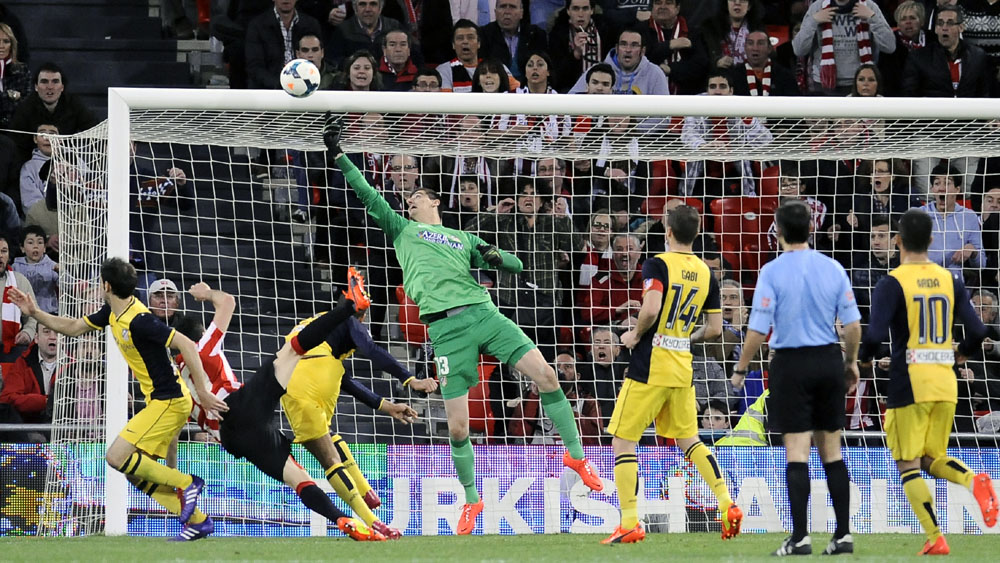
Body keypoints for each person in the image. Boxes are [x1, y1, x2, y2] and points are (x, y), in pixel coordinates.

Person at [323, 112, 602, 535]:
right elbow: (366, 193)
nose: (408, 202)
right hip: (446, 331)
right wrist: (339, 154)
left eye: (415, 197)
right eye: (407, 200)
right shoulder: (401, 230)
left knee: (546, 376)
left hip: (485, 314)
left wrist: (494, 256)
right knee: (457, 426)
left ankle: (577, 457)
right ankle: (472, 501)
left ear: (433, 201)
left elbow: (516, 263)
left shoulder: (463, 237)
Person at [6, 258, 228, 538]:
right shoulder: (113, 312)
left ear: (107, 286)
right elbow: (74, 327)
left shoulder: (139, 320)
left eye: (100, 282)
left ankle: (186, 482)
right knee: (134, 472)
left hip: (169, 400)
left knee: (116, 456)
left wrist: (205, 392)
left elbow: (185, 343)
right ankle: (198, 520)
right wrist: (35, 312)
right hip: (162, 401)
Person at [170, 276, 404, 541]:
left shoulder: (173, 384)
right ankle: (349, 307)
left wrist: (176, 480)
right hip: (240, 405)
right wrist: (206, 293)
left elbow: (173, 437)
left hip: (231, 439)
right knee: (292, 350)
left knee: (296, 478)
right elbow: (227, 303)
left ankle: (342, 519)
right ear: (198, 335)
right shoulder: (203, 346)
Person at [859, 208, 998, 555]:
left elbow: (875, 335)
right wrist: (962, 352)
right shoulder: (951, 279)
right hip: (945, 381)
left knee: (907, 463)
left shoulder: (892, 282)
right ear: (932, 240)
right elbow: (979, 329)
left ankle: (936, 536)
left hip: (910, 379)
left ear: (898, 241)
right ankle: (976, 480)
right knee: (931, 457)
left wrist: (859, 361)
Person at [603, 205, 742, 544]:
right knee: (689, 440)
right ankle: (726, 503)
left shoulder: (658, 264)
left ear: (667, 230)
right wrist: (682, 337)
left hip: (650, 364)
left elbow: (650, 308)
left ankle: (630, 521)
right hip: (682, 366)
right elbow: (712, 328)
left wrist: (635, 335)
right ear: (695, 234)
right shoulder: (706, 272)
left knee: (623, 438)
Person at [733, 199, 861, 556]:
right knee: (832, 451)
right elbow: (852, 326)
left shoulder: (772, 271)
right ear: (811, 228)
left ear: (779, 232)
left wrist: (741, 368)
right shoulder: (833, 267)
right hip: (827, 359)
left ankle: (801, 537)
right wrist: (850, 362)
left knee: (797, 452)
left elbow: (758, 329)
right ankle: (843, 535)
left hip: (790, 363)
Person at [278, 269, 437, 539]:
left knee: (327, 443)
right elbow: (372, 351)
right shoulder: (350, 321)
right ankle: (371, 518)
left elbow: (346, 381)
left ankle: (366, 495)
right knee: (329, 455)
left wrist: (388, 407)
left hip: (294, 376)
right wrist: (410, 379)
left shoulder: (316, 325)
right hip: (311, 377)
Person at [681, 71, 772, 199]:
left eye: (722, 86)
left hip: (734, 174)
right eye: (713, 87)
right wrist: (704, 146)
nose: (717, 91)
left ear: (731, 91)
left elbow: (766, 140)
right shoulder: (696, 106)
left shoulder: (742, 108)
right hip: (701, 175)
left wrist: (749, 123)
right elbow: (688, 134)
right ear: (707, 91)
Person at [792, 0, 895, 95]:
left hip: (860, 83)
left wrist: (872, 18)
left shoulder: (869, 6)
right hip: (824, 83)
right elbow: (799, 49)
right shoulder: (817, 7)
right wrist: (813, 21)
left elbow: (889, 46)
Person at [7, 62, 97, 163]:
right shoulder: (25, 108)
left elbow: (94, 129)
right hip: (33, 162)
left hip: (67, 162)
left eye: (55, 81)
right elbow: (16, 143)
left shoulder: (74, 104)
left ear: (62, 87)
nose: (50, 87)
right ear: (36, 87)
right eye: (44, 81)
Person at [919, 163, 982, 278]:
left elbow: (981, 264)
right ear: (932, 189)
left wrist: (973, 251)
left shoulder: (969, 217)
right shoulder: (917, 215)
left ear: (957, 189)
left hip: (954, 283)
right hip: (924, 281)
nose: (942, 188)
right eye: (937, 183)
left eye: (947, 183)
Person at [244, 0, 322, 89]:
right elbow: (254, 67)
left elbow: (319, 60)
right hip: (269, 90)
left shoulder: (311, 24)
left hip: (305, 87)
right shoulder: (257, 26)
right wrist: (281, 85)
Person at [568, 28, 669, 95]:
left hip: (643, 127)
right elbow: (570, 101)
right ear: (616, 48)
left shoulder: (655, 74)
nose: (628, 50)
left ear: (642, 51)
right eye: (623, 44)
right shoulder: (597, 70)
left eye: (634, 45)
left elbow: (664, 114)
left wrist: (636, 128)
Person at [548, 0, 617, 92]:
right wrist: (575, 54)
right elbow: (557, 76)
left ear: (592, 10)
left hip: (603, 86)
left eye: (585, 9)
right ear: (568, 11)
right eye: (575, 9)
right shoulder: (558, 33)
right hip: (571, 88)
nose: (580, 14)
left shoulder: (605, 29)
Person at [0, 324, 58, 430]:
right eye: (46, 332)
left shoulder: (73, 365)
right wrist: (45, 402)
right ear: (36, 338)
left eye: (58, 333)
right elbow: (7, 399)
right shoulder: (22, 363)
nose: (53, 337)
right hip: (27, 428)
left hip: (64, 431)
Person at [645, 0, 708, 95]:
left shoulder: (692, 32)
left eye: (668, 3)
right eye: (658, 3)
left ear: (677, 8)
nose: (662, 6)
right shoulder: (642, 29)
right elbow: (642, 58)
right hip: (649, 96)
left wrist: (670, 70)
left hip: (685, 97)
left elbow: (700, 65)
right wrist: (670, 45)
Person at [581, 233, 644, 326]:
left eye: (629, 249)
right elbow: (588, 313)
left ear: (639, 253)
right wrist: (617, 310)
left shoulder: (649, 278)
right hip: (611, 331)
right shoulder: (601, 279)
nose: (624, 253)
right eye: (619, 249)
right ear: (613, 254)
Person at [480, 0, 547, 81]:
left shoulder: (536, 34)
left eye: (512, 7)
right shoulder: (484, 34)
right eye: (503, 6)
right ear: (495, 12)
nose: (507, 12)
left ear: (521, 13)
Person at [328, 0, 404, 66]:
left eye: (373, 4)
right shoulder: (343, 30)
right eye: (362, 4)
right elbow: (334, 61)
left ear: (380, 8)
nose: (368, 9)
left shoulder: (394, 27)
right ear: (355, 9)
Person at [727, 30, 798, 97]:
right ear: (745, 48)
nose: (755, 48)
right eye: (750, 43)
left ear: (769, 48)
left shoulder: (785, 76)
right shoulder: (733, 76)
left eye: (760, 43)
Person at [0, 235, 36, 356]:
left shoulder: (19, 281)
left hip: (13, 350)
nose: (0, 255)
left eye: (4, 251)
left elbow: (33, 315)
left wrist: (27, 333)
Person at [12, 225, 58, 315]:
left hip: (48, 313)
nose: (35, 246)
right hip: (23, 314)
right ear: (22, 248)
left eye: (40, 242)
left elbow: (69, 286)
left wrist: (61, 272)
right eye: (30, 242)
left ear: (44, 248)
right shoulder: (15, 267)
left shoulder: (52, 266)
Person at [19, 123, 56, 216]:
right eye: (42, 134)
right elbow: (31, 205)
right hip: (46, 220)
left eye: (52, 134)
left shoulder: (77, 161)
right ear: (35, 139)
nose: (47, 138)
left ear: (61, 139)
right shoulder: (28, 168)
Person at [0, 22, 30, 129]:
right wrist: (10, 95)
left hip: (14, 128)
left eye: (6, 41)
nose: (1, 46)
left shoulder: (22, 70)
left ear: (12, 45)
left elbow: (26, 104)